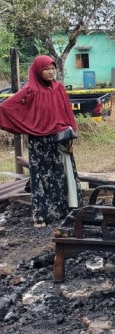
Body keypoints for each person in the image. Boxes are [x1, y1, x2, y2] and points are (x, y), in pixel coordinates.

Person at [0, 55, 81, 227]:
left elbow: (67, 111)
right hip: (39, 142)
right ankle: (41, 215)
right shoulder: (30, 91)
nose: (51, 72)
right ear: (38, 71)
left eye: (53, 68)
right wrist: (27, 126)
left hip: (60, 139)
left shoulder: (58, 88)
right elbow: (7, 107)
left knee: (61, 175)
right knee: (41, 178)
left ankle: (61, 210)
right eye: (47, 69)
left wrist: (72, 134)